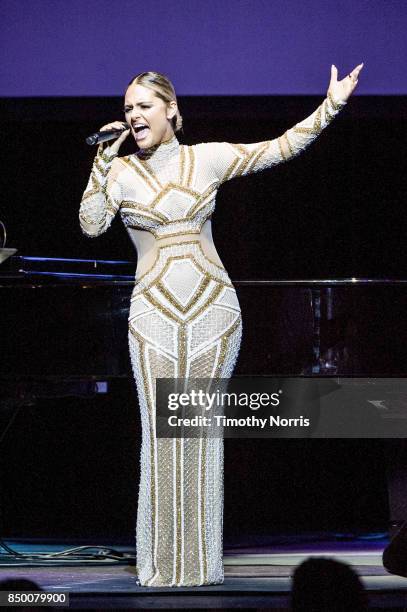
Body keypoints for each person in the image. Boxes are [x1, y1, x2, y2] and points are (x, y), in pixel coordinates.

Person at [79, 65, 363, 587]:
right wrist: (101, 161)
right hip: (151, 312)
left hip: (214, 309)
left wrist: (332, 105)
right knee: (161, 434)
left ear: (171, 109)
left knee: (200, 431)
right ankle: (161, 566)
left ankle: (201, 566)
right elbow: (92, 224)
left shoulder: (205, 158)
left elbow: (279, 147)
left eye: (144, 106)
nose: (133, 115)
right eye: (127, 108)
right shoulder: (118, 172)